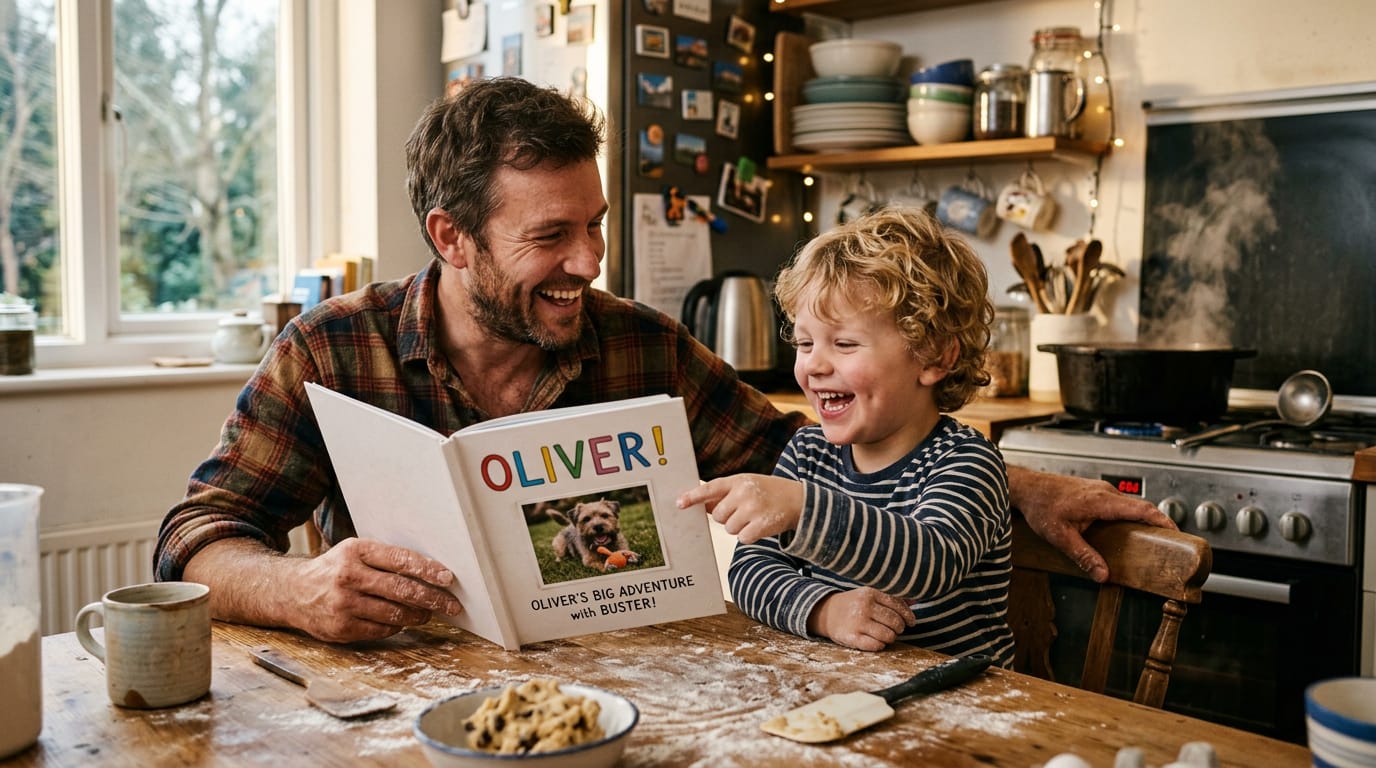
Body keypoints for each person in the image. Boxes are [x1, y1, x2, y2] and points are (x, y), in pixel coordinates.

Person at [154, 76, 1170, 645]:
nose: (590, 265)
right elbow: (198, 534)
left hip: (623, 702)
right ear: (451, 238)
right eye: (552, 238)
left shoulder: (638, 344)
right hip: (402, 714)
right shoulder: (332, 348)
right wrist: (296, 590)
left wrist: (1007, 481)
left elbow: (794, 454)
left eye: (593, 227)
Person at [676, 207, 1015, 663]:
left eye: (845, 344)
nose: (814, 365)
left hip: (963, 700)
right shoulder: (808, 452)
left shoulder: (968, 461)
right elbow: (751, 570)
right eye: (804, 343)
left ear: (933, 357)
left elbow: (930, 562)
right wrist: (824, 612)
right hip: (842, 687)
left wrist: (801, 507)